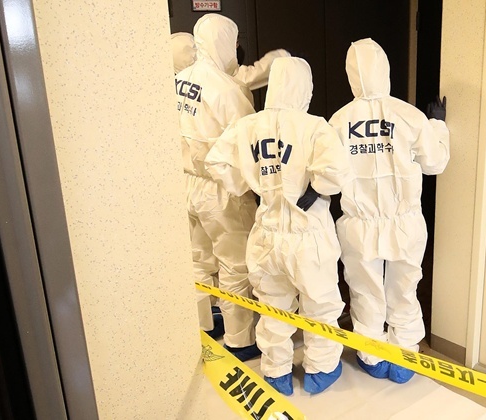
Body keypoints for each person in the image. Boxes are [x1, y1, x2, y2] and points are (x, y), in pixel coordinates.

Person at [206, 57, 352, 396]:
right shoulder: (314, 127)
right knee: (319, 305)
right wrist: (315, 190)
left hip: (266, 233)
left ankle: (276, 372)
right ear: (305, 88)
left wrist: (252, 186)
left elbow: (217, 162)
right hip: (308, 234)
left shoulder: (248, 126)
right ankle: (320, 369)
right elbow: (335, 174)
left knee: (272, 307)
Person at [328, 38, 450, 384]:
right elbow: (436, 163)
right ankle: (405, 354)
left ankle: (372, 356)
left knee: (365, 290)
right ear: (385, 69)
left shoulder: (338, 121)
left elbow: (328, 176)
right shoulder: (408, 115)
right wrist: (438, 125)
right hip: (405, 222)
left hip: (358, 224)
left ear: (351, 75)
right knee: (404, 286)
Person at [175, 13, 260, 360]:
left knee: (197, 259)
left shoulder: (177, 80)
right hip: (220, 189)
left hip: (184, 183)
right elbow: (248, 143)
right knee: (234, 264)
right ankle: (240, 341)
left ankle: (203, 327)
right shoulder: (227, 90)